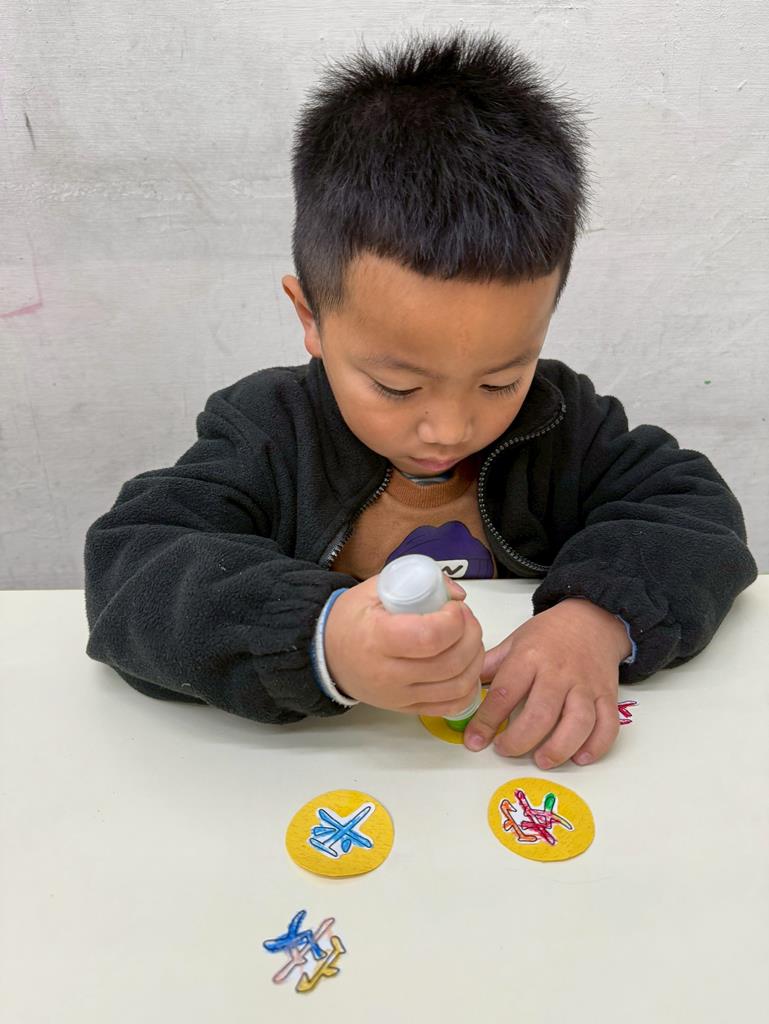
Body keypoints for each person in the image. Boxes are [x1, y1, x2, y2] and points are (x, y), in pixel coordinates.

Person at [83, 28, 757, 770]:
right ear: (311, 317)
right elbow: (133, 569)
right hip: (334, 773)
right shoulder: (267, 433)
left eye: (500, 380)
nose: (449, 427)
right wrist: (322, 640)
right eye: (397, 386)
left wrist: (596, 616)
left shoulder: (563, 421)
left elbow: (693, 509)